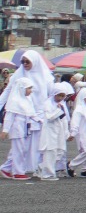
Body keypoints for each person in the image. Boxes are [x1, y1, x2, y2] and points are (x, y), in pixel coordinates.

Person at [4, 51, 52, 180]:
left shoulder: (46, 76)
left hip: (39, 115)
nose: (25, 64)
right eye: (23, 61)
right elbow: (8, 92)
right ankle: (12, 168)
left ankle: (10, 168)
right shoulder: (18, 75)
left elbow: (52, 96)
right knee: (21, 145)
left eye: (27, 61)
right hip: (22, 115)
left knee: (30, 145)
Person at [38, 82, 72, 180]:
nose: (61, 98)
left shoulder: (61, 105)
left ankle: (42, 167)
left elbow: (64, 119)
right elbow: (49, 117)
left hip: (59, 131)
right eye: (59, 95)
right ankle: (47, 174)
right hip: (50, 131)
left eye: (63, 96)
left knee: (60, 151)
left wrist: (67, 133)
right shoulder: (48, 103)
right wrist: (58, 111)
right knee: (50, 151)